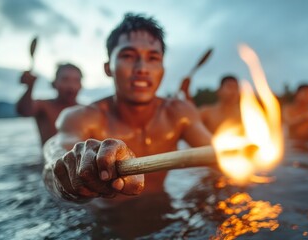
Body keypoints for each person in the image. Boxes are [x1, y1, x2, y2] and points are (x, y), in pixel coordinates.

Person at [43, 13, 211, 207]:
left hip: (163, 211)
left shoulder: (180, 114)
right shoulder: (81, 117)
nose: (142, 68)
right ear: (108, 68)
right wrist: (71, 167)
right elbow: (53, 165)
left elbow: (219, 156)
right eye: (128, 56)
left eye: (153, 58)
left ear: (163, 68)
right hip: (106, 222)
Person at [16, 63, 82, 145]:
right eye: (65, 80)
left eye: (76, 80)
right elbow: (24, 111)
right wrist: (30, 87)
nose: (71, 86)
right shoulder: (44, 106)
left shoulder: (87, 111)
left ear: (81, 85)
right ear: (54, 84)